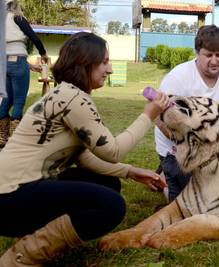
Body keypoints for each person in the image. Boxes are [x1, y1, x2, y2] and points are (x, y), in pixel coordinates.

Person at [0, 32, 169, 266]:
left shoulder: (66, 94)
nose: (109, 70)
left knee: (108, 183)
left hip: (16, 192)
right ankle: (19, 258)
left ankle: (35, 235)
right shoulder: (73, 98)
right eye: (104, 62)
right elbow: (113, 151)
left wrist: (132, 172)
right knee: (111, 205)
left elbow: (85, 158)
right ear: (85, 63)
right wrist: (148, 115)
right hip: (10, 197)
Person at [155, 25, 219, 202]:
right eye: (208, 55)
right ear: (197, 52)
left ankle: (166, 175)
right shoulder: (178, 76)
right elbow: (157, 116)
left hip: (217, 147)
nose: (215, 61)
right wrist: (185, 142)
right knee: (191, 201)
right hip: (179, 148)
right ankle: (167, 174)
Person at [0, 0, 48, 148]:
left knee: (5, 101)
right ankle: (15, 141)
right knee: (19, 101)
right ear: (16, 5)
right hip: (18, 62)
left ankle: (2, 138)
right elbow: (34, 38)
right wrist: (43, 53)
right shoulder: (17, 17)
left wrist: (29, 66)